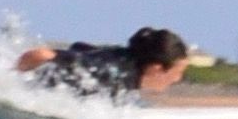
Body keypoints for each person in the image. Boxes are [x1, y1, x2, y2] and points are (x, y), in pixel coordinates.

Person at [20, 26, 191, 99]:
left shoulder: (125, 61)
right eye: (177, 72)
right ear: (156, 68)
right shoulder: (114, 73)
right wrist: (11, 74)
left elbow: (80, 47)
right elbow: (42, 54)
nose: (177, 79)